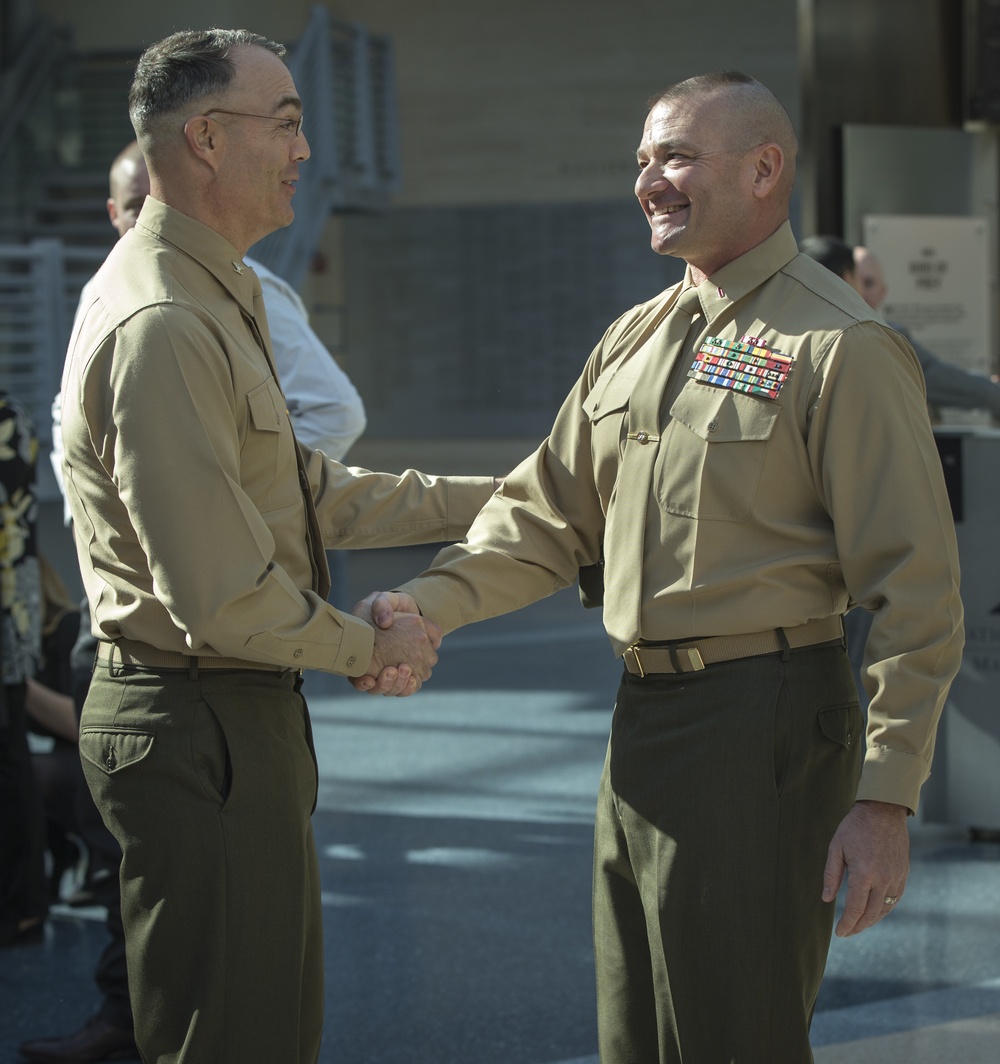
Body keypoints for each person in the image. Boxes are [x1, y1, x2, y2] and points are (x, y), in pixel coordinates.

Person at [354, 72, 964, 1062]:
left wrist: (884, 797)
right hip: (642, 726)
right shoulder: (633, 340)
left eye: (675, 156)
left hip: (761, 725)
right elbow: (545, 516)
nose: (650, 181)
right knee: (634, 1032)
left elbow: (917, 592)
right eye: (641, 160)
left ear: (766, 169)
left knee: (732, 1034)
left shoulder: (840, 345)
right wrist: (423, 606)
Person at [57, 28, 496, 1064]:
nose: (304, 150)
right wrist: (372, 643)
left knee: (265, 1026)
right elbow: (219, 592)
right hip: (199, 710)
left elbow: (309, 495)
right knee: (233, 1036)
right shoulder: (164, 320)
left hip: (227, 712)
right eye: (287, 122)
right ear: (206, 138)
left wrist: (517, 495)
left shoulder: (221, 291)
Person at [853, 243, 1000, 416]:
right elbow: (933, 375)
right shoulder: (887, 337)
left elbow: (934, 375)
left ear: (882, 291)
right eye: (854, 280)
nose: (859, 290)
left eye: (868, 283)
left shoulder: (888, 335)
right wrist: (992, 392)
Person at [0, 391, 45, 949]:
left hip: (6, 612)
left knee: (9, 759)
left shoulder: (7, 416)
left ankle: (22, 904)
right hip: (13, 605)